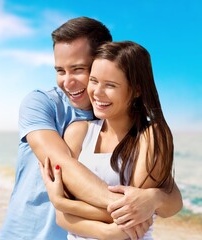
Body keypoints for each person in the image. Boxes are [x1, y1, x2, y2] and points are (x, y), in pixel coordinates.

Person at [0, 17, 182, 240]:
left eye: (78, 69)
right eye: (60, 71)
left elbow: (167, 192)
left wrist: (154, 198)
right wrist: (128, 209)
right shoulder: (42, 104)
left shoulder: (123, 122)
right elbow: (62, 165)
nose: (67, 82)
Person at [40, 41, 177, 239]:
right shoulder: (77, 132)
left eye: (110, 85)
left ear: (137, 90)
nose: (97, 92)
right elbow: (62, 219)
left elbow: (131, 219)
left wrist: (63, 203)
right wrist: (64, 208)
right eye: (94, 81)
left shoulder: (151, 136)